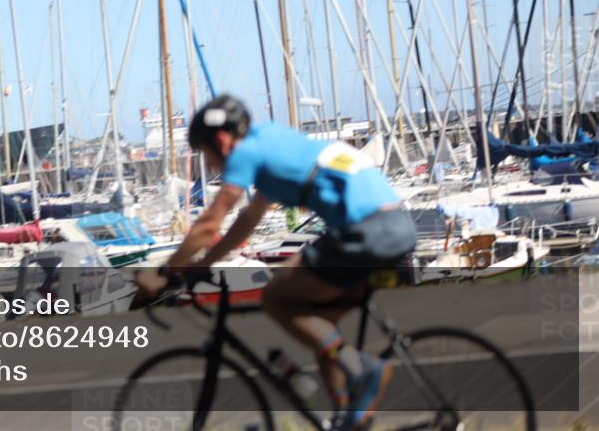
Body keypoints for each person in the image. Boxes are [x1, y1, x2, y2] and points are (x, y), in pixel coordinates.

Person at [137, 95, 416, 431]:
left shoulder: (243, 154)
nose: (210, 166)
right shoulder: (269, 140)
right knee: (319, 327)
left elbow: (211, 223)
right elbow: (248, 220)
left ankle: (362, 371)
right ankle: (348, 419)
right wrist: (204, 263)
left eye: (206, 155)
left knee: (276, 297)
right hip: (396, 225)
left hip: (365, 231)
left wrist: (168, 270)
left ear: (222, 142)